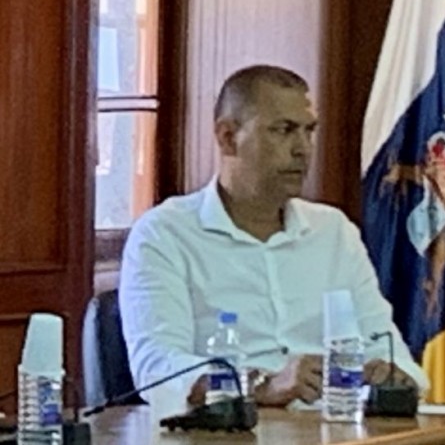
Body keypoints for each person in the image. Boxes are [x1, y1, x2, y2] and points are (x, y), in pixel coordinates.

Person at [119, 65, 428, 407]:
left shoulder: (333, 231)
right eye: (284, 130)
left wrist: (392, 375)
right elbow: (158, 370)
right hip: (230, 426)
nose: (303, 149)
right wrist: (261, 385)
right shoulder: (165, 234)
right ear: (228, 137)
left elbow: (387, 347)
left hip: (333, 424)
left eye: (309, 131)